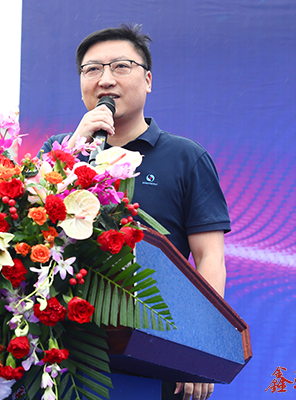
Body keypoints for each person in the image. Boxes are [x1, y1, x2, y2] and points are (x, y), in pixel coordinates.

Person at [39, 24, 231, 400]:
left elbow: (210, 256)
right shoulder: (59, 151)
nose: (105, 79)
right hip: (64, 350)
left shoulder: (186, 157)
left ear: (148, 80)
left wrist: (200, 343)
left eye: (120, 66)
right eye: (92, 69)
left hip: (154, 348)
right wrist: (75, 149)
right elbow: (32, 229)